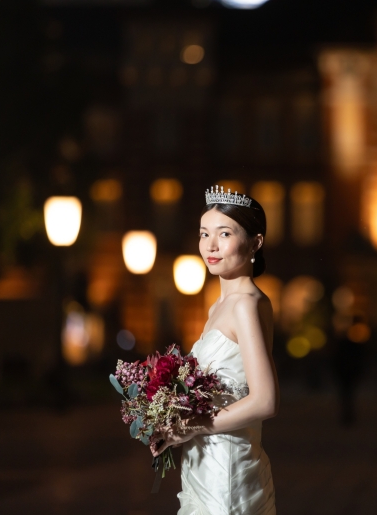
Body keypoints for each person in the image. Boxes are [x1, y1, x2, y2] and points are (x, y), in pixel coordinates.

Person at [150, 186, 278, 515]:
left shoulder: (246, 304)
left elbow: (265, 400)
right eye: (204, 233)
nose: (211, 245)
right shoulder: (220, 306)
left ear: (255, 242)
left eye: (224, 233)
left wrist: (188, 426)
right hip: (204, 464)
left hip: (227, 471)